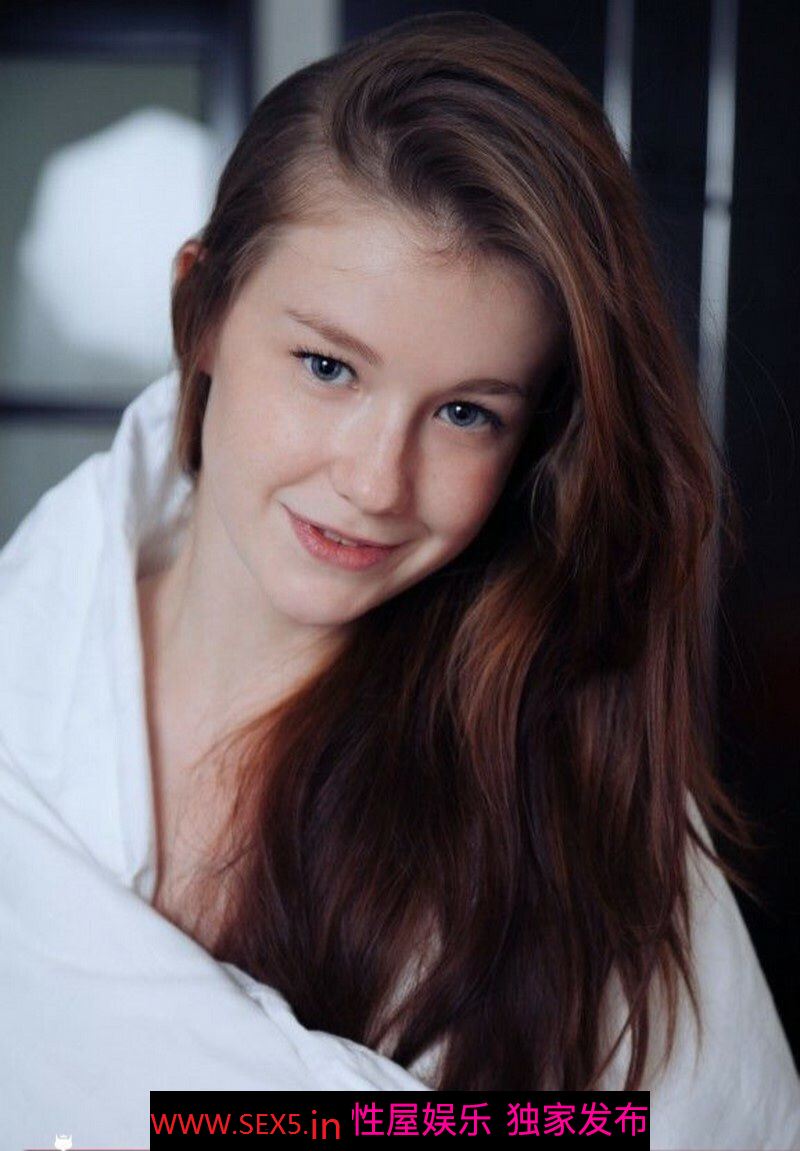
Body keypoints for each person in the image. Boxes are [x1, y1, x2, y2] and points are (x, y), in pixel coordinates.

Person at [1, 11, 798, 1150]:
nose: (376, 481)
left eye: (465, 412)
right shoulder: (22, 675)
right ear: (203, 312)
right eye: (327, 366)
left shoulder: (568, 779)